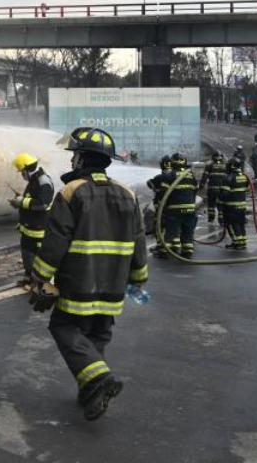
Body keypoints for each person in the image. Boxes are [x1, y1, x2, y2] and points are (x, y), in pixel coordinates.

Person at [28, 127, 148, 422]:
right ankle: (92, 392)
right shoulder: (127, 194)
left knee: (64, 327)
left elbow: (55, 242)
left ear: (81, 159)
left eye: (74, 157)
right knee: (96, 337)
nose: (71, 163)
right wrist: (138, 279)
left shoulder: (72, 192)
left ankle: (100, 379)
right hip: (114, 287)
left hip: (79, 283)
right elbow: (139, 242)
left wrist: (40, 277)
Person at [10, 152, 54, 284]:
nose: (22, 175)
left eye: (22, 172)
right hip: (28, 228)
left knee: (38, 257)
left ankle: (40, 282)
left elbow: (42, 203)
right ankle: (28, 277)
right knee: (27, 253)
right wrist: (19, 202)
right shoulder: (34, 180)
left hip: (38, 229)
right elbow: (31, 201)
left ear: (27, 169)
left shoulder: (43, 181)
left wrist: (21, 201)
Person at [157, 153, 197, 259]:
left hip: (175, 208)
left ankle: (164, 251)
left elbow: (163, 193)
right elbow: (195, 189)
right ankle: (187, 251)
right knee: (187, 231)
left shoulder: (170, 175)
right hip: (190, 208)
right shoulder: (190, 174)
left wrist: (160, 206)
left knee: (171, 231)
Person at [221, 158, 250, 250]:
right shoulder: (244, 177)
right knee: (241, 224)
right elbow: (247, 189)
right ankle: (243, 242)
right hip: (242, 206)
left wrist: (219, 201)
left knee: (232, 224)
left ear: (231, 166)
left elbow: (224, 195)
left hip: (232, 207)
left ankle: (237, 243)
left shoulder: (228, 178)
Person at [199, 152, 226, 228]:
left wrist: (201, 186)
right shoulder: (225, 166)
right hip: (222, 190)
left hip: (212, 189)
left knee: (211, 205)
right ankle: (221, 221)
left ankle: (211, 219)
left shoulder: (209, 166)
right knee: (221, 205)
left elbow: (204, 177)